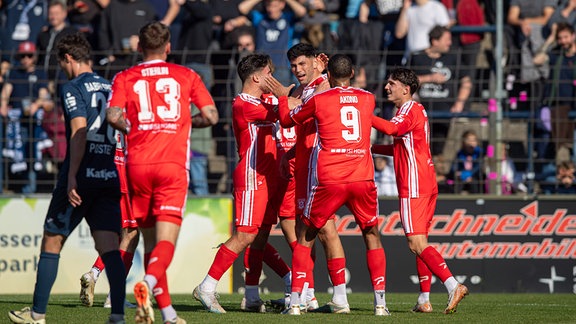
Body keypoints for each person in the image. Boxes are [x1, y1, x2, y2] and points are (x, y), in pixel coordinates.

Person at [8, 32, 126, 324]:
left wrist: (72, 175)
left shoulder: (72, 87)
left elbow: (79, 130)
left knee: (52, 240)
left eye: (61, 63)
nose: (61, 68)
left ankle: (37, 314)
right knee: (110, 247)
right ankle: (118, 315)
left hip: (82, 174)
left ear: (69, 58)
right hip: (108, 172)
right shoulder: (111, 87)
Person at [106, 21, 219, 324]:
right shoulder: (186, 75)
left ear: (139, 47)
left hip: (136, 167)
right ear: (168, 47)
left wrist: (133, 127)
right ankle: (147, 284)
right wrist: (184, 123)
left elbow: (113, 114)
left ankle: (168, 314)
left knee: (150, 243)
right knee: (166, 242)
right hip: (170, 167)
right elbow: (211, 115)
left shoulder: (124, 77)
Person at [276, 54, 389, 316]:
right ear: (352, 72)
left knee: (305, 235)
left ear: (327, 72)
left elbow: (287, 120)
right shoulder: (368, 98)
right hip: (361, 175)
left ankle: (295, 303)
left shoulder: (318, 99)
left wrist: (283, 97)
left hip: (330, 177)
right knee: (371, 234)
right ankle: (380, 305)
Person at [372, 67, 468, 314]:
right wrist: (369, 148)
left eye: (391, 83)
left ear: (406, 89)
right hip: (425, 181)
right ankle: (424, 299)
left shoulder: (408, 110)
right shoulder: (413, 111)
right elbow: (400, 148)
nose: (386, 87)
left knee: (415, 243)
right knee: (421, 242)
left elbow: (392, 131)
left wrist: (364, 116)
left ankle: (452, 285)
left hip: (414, 185)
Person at [193, 53, 279, 314]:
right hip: (252, 174)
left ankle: (252, 296)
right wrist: (288, 93)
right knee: (245, 234)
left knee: (260, 236)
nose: (273, 79)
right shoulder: (243, 104)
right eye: (269, 73)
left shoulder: (262, 99)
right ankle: (206, 287)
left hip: (268, 175)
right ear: (256, 77)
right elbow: (287, 114)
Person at [264, 43, 346, 312]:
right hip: (302, 165)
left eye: (302, 64)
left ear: (315, 62)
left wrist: (283, 97)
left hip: (319, 165)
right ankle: (307, 294)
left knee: (325, 230)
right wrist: (289, 155)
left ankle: (339, 298)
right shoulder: (300, 89)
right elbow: (296, 110)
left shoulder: (324, 83)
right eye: (294, 66)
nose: (297, 70)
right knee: (303, 231)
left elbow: (311, 106)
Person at [79, 130, 140, 309]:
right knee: (131, 236)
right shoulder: (131, 110)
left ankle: (95, 273)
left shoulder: (106, 110)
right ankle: (113, 296)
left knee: (120, 237)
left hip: (108, 177)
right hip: (127, 179)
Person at [408, 25, 472, 157]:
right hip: (421, 112)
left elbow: (466, 81)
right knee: (419, 151)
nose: (450, 42)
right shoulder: (417, 57)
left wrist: (459, 103)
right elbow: (405, 81)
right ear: (435, 41)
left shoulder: (453, 58)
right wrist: (429, 78)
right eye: (446, 39)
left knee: (438, 152)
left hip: (444, 112)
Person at [448, 130, 485, 194]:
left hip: (474, 177)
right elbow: (454, 167)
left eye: (474, 140)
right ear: (464, 142)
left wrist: (469, 174)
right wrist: (460, 174)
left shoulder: (479, 153)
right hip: (462, 177)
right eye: (469, 140)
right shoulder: (460, 154)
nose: (471, 143)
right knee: (457, 184)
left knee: (475, 183)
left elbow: (478, 166)